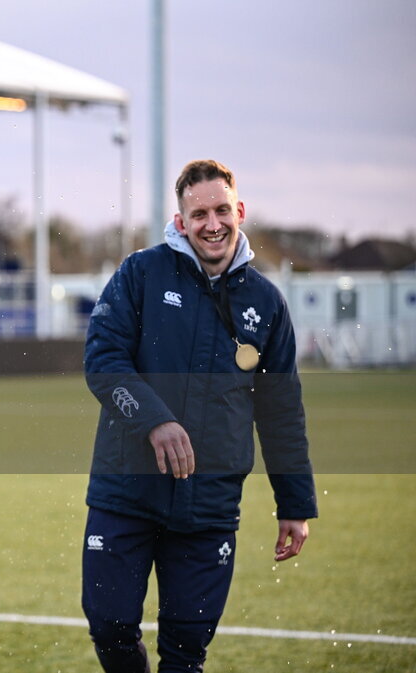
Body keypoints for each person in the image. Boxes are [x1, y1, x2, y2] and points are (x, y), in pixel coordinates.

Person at [81, 159, 318, 672]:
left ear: (240, 210)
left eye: (222, 210)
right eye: (199, 214)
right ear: (181, 219)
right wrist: (155, 421)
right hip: (127, 491)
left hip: (209, 504)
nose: (213, 224)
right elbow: (102, 362)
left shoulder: (266, 302)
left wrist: (295, 503)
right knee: (110, 625)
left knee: (187, 651)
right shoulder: (140, 273)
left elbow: (280, 410)